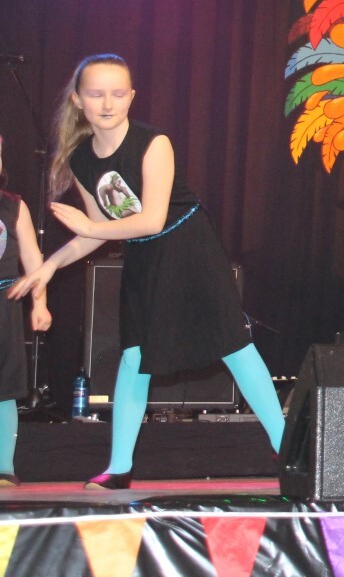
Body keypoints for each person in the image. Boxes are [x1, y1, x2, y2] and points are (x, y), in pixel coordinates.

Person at [6, 55, 283, 489]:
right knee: (134, 355)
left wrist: (91, 228)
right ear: (78, 100)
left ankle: (287, 449)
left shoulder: (154, 143)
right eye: (96, 94)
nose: (108, 103)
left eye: (118, 94)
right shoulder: (81, 159)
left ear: (132, 97)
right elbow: (101, 229)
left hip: (189, 247)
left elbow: (150, 219)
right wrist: (49, 267)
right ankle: (119, 466)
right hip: (143, 255)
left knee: (233, 345)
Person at [0, 134, 52, 485]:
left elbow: (34, 260)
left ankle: (4, 467)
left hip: (3, 304)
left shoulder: (13, 206)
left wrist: (40, 302)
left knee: (4, 388)